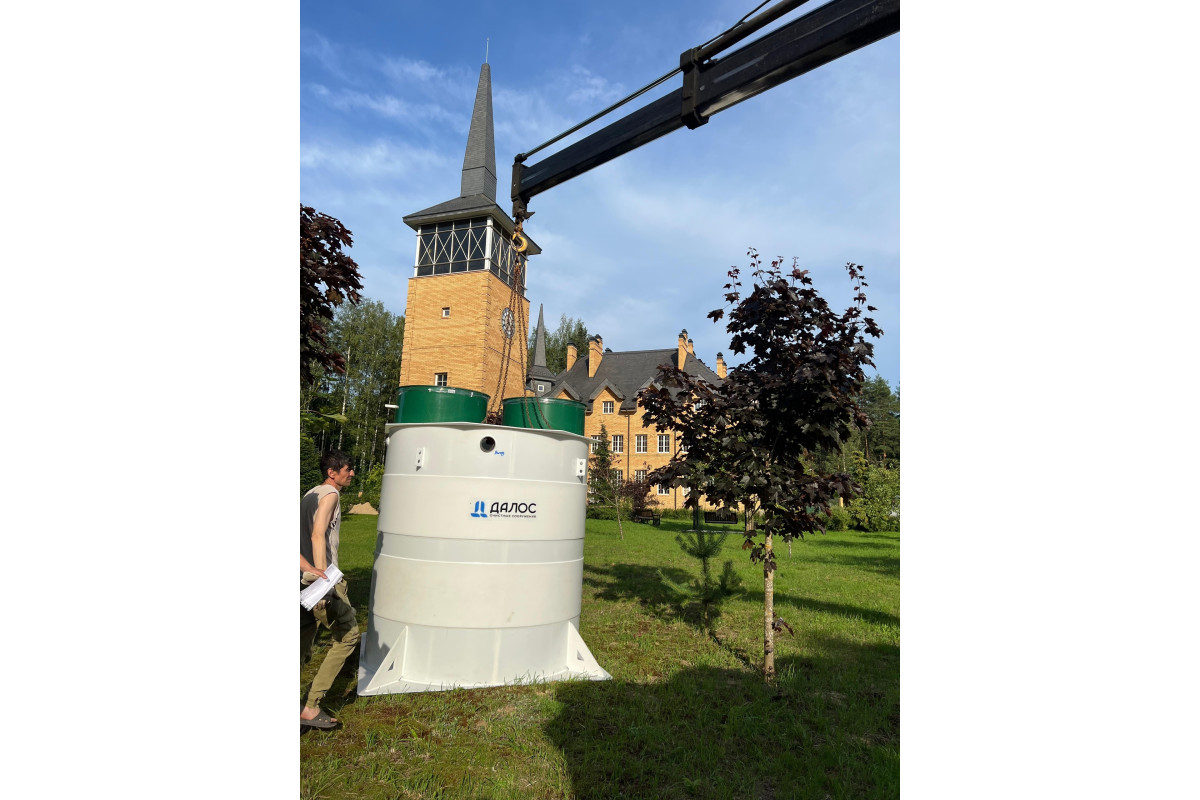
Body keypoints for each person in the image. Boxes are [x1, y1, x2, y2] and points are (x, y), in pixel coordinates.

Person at [300, 450, 359, 730]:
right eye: (348, 469)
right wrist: (322, 580)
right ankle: (311, 706)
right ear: (332, 473)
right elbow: (317, 534)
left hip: (300, 576)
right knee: (348, 636)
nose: (352, 473)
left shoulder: (310, 493)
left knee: (303, 640)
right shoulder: (331, 494)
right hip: (318, 580)